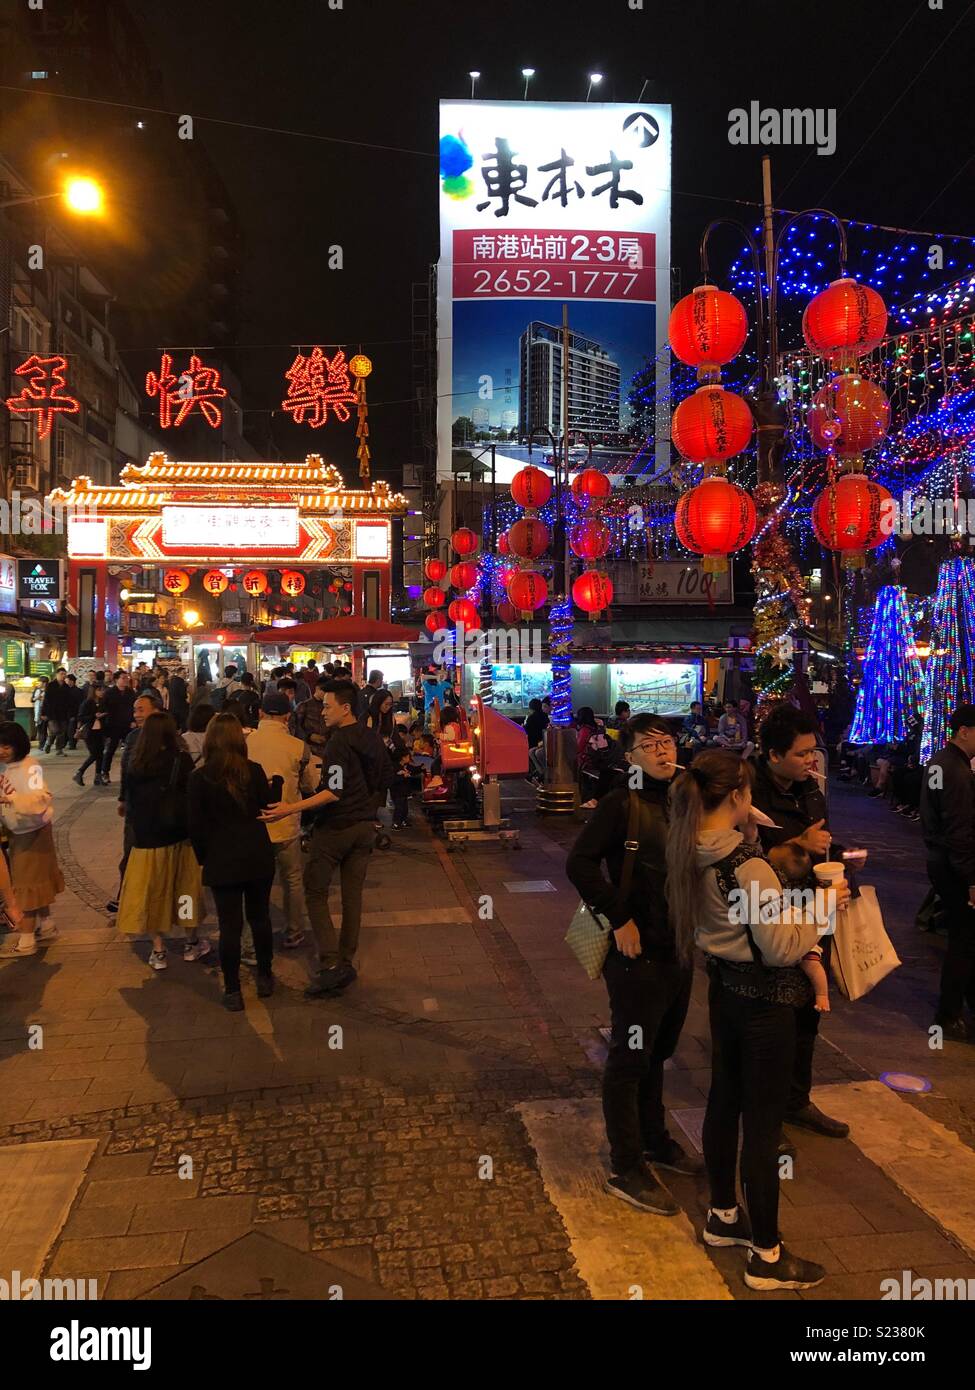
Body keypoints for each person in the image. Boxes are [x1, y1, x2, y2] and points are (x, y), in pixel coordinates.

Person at [666, 750, 827, 1291]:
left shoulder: (689, 848)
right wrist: (821, 909)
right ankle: (766, 1255)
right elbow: (779, 947)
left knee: (724, 1102)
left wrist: (758, 844)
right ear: (737, 795)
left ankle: (722, 1217)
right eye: (749, 792)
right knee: (762, 1128)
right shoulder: (746, 865)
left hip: (726, 994)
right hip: (765, 1005)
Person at [566, 714, 696, 1215]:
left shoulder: (682, 800)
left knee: (657, 1052)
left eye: (668, 742)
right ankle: (626, 1166)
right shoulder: (622, 803)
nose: (663, 752)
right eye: (650, 745)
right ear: (631, 756)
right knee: (630, 1058)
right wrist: (618, 918)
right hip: (635, 956)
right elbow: (578, 862)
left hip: (677, 950)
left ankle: (654, 1140)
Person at [749, 704, 850, 1139]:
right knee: (772, 1018)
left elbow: (824, 843)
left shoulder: (811, 788)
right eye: (801, 753)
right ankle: (763, 1115)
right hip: (768, 914)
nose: (810, 761)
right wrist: (798, 844)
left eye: (813, 752)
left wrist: (843, 867)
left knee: (809, 1011)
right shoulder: (746, 790)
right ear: (773, 754)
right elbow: (744, 856)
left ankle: (796, 1100)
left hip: (813, 909)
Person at [263, 680, 379, 999]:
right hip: (365, 826)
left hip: (338, 828)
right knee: (352, 896)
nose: (323, 711)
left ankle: (330, 963)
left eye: (328, 706)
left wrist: (289, 808)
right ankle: (346, 960)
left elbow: (332, 791)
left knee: (315, 891)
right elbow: (383, 777)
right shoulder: (370, 736)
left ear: (346, 708)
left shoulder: (339, 742)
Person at [188, 712, 276, 1011]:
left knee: (229, 926)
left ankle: (232, 989)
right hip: (257, 854)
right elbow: (267, 806)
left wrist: (203, 858)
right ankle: (265, 976)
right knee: (260, 918)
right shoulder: (253, 771)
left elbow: (195, 825)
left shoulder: (199, 777)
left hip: (221, 858)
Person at [116, 711, 205, 970]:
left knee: (154, 894)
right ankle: (190, 942)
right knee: (185, 892)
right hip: (179, 837)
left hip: (146, 840)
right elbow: (192, 796)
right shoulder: (181, 759)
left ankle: (158, 950)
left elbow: (128, 801)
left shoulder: (136, 763)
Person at [919, 704, 975, 1041]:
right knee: (963, 941)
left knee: (964, 938)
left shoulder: (939, 762)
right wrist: (971, 879)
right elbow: (959, 829)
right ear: (964, 731)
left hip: (940, 860)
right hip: (954, 865)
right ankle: (948, 1014)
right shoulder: (956, 770)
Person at [244, 689, 316, 951]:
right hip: (286, 824)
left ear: (261, 713)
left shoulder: (244, 743)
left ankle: (251, 942)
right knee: (292, 879)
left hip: (253, 827)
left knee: (253, 885)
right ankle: (294, 931)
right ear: (287, 716)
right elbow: (309, 785)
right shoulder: (298, 746)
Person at [0, 722, 64, 957]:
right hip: (20, 832)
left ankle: (26, 940)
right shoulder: (8, 767)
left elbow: (40, 798)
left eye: (6, 746)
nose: (1, 751)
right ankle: (47, 926)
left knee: (27, 886)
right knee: (38, 882)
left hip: (32, 833)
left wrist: (11, 800)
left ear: (18, 745)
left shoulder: (30, 767)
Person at [107, 692, 160, 913]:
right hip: (136, 806)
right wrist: (122, 798)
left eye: (141, 710)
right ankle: (125, 895)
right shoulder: (133, 737)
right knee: (131, 851)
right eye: (135, 710)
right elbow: (126, 771)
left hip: (159, 807)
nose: (136, 714)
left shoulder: (168, 737)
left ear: (156, 711)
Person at [101, 670, 136, 782]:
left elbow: (134, 707)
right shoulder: (109, 692)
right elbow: (104, 708)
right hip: (113, 725)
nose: (126, 680)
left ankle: (129, 772)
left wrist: (133, 720)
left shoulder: (130, 692)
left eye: (127, 678)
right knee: (111, 749)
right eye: (123, 678)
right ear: (116, 679)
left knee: (131, 749)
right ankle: (105, 772)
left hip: (128, 725)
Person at [74, 683, 109, 786]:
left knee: (100, 754)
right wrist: (94, 716)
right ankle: (79, 772)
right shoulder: (87, 703)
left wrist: (103, 715)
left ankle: (97, 777)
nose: (102, 692)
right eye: (99, 690)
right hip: (89, 732)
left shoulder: (102, 702)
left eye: (102, 690)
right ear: (94, 691)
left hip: (100, 731)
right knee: (94, 754)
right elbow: (80, 717)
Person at [292, 677, 329, 753]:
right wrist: (309, 736)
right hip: (309, 749)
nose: (327, 694)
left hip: (327, 748)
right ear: (317, 688)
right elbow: (296, 727)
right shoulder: (304, 705)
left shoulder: (330, 706)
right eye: (325, 691)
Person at [41, 667, 73, 755]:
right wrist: (43, 713)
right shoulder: (51, 685)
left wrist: (70, 713)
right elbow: (46, 700)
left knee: (62, 732)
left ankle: (59, 749)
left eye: (64, 674)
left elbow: (69, 701)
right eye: (61, 674)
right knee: (55, 730)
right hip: (52, 713)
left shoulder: (66, 687)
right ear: (57, 675)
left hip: (63, 713)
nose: (63, 676)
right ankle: (48, 743)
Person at [65, 673, 84, 749]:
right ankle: (68, 743)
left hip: (74, 714)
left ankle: (72, 744)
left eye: (67, 681)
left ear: (71, 681)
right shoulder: (66, 690)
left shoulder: (78, 691)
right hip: (67, 714)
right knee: (67, 730)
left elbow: (80, 704)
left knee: (71, 730)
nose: (66, 682)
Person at [168, 666, 189, 731]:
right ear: (179, 673)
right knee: (183, 725)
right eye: (184, 673)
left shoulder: (172, 681)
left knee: (175, 725)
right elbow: (183, 694)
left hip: (173, 706)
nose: (185, 674)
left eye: (186, 673)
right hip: (181, 706)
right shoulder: (181, 682)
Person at [31, 676, 48, 748]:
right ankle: (41, 743)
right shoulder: (36, 690)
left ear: (44, 683)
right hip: (37, 711)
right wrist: (36, 698)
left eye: (39, 682)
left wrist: (45, 699)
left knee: (43, 729)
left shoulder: (48, 691)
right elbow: (32, 700)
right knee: (39, 728)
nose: (38, 684)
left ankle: (42, 744)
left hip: (44, 712)